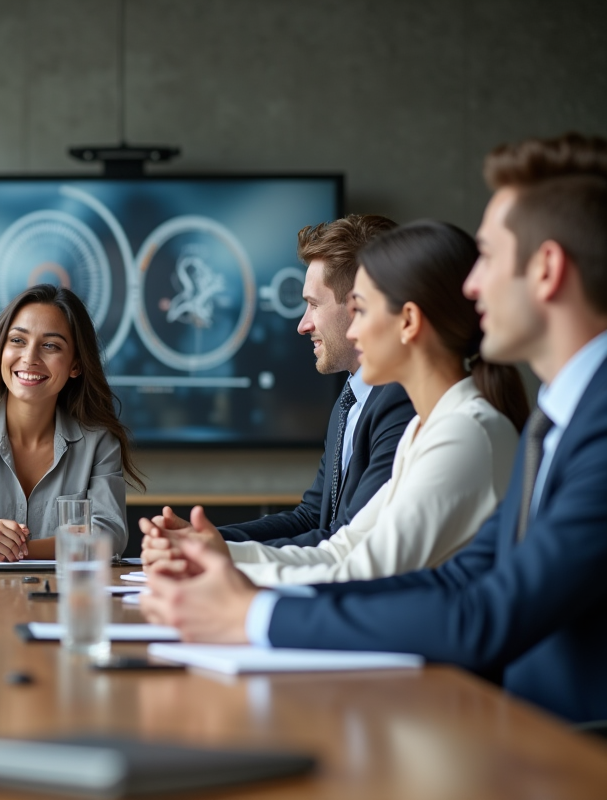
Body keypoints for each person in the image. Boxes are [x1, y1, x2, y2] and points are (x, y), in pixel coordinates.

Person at [140, 132, 607, 724]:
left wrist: (251, 611)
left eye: (487, 256)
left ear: (546, 270)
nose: (470, 285)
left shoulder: (518, 426)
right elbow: (453, 582)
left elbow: (480, 615)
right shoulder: (553, 421)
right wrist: (238, 582)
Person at [141, 222, 526, 585]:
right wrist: (213, 554)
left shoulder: (463, 432)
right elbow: (341, 549)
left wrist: (228, 580)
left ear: (407, 321)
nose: (355, 332)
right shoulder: (424, 429)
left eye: (362, 310)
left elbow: (362, 571)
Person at [141, 215, 414, 568]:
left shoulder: (401, 402)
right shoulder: (352, 399)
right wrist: (207, 539)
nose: (303, 325)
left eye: (314, 304)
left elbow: (342, 543)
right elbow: (312, 518)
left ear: (361, 304)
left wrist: (214, 552)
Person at [0, 284, 142, 562]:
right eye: (17, 340)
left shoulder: (99, 439)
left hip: (67, 598)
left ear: (75, 365)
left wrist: (13, 552)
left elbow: (109, 536)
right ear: (0, 349)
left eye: (50, 345)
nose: (29, 358)